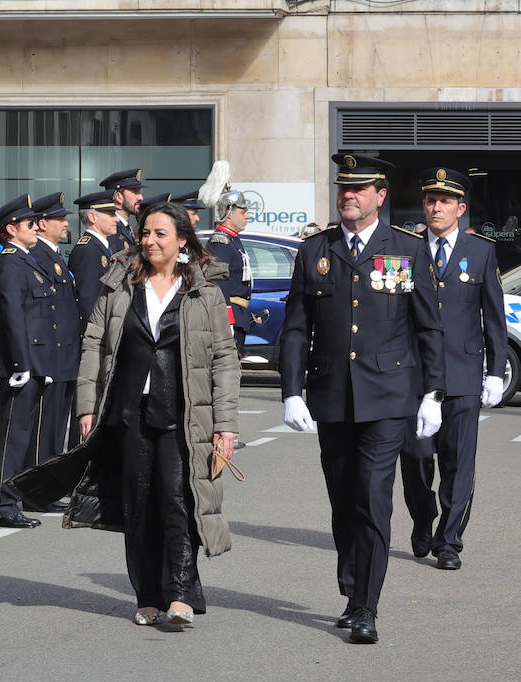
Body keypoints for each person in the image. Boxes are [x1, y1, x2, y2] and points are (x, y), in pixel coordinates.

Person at [279, 154, 443, 644]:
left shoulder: (406, 249)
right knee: (343, 499)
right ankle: (351, 590)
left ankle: (366, 604)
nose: (347, 195)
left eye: (358, 189)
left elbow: (428, 326)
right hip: (332, 395)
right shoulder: (315, 251)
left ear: (380, 195)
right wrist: (291, 391)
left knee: (373, 497)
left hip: (389, 395)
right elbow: (295, 328)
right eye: (342, 189)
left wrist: (432, 392)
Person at [62, 200, 241, 627]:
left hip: (184, 415)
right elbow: (94, 345)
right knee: (138, 505)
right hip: (128, 412)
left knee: (178, 501)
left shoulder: (203, 290)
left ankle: (179, 595)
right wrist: (87, 407)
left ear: (182, 240)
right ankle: (146, 594)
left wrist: (226, 425)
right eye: (145, 233)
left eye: (160, 234)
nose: (150, 241)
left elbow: (224, 358)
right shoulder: (120, 284)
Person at [399, 167, 506, 570]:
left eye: (444, 201)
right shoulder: (407, 250)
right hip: (414, 374)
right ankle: (423, 516)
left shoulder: (481, 252)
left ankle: (449, 541)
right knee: (415, 458)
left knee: (459, 462)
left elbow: (493, 315)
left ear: (460, 208)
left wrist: (495, 370)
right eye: (429, 200)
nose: (435, 207)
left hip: (462, 373)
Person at [0, 195, 56, 529]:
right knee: (12, 434)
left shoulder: (26, 260)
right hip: (22, 363)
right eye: (30, 223)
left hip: (36, 360)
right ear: (11, 229)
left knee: (22, 435)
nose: (35, 228)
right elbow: (12, 318)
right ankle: (1, 503)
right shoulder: (11, 262)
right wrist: (20, 364)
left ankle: (12, 499)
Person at [30, 192, 83, 462]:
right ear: (41, 223)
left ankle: (46, 486)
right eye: (59, 219)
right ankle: (37, 489)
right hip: (52, 355)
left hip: (65, 354)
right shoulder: (37, 255)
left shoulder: (54, 254)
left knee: (55, 427)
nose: (65, 224)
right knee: (45, 429)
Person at [204, 188, 254, 356]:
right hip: (230, 315)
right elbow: (219, 284)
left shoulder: (232, 239)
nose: (247, 216)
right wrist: (227, 322)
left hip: (239, 312)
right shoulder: (221, 242)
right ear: (229, 213)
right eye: (243, 212)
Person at [69, 192, 120, 326]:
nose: (117, 219)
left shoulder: (102, 246)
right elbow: (88, 302)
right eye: (111, 214)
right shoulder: (87, 250)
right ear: (92, 217)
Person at [99, 169, 144, 251]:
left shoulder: (126, 228)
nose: (141, 197)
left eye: (140, 192)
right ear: (119, 197)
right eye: (135, 192)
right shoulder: (112, 230)